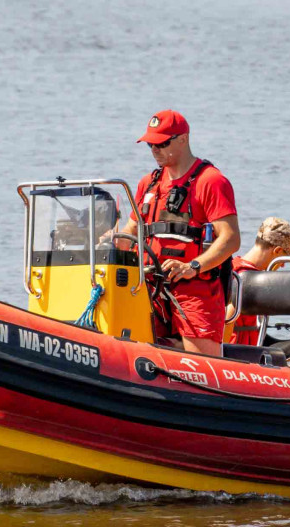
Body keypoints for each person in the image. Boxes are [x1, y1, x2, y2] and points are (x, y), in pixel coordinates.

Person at [116, 110, 241, 356]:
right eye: (151, 144)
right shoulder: (148, 184)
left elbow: (231, 238)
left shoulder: (211, 182)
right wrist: (105, 242)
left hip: (195, 288)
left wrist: (192, 266)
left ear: (183, 139)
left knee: (202, 362)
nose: (155, 150)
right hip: (149, 286)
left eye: (162, 143)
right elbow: (131, 231)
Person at [225, 217, 290, 345]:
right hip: (239, 353)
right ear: (276, 250)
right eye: (283, 260)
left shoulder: (233, 266)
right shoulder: (250, 280)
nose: (282, 266)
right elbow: (228, 318)